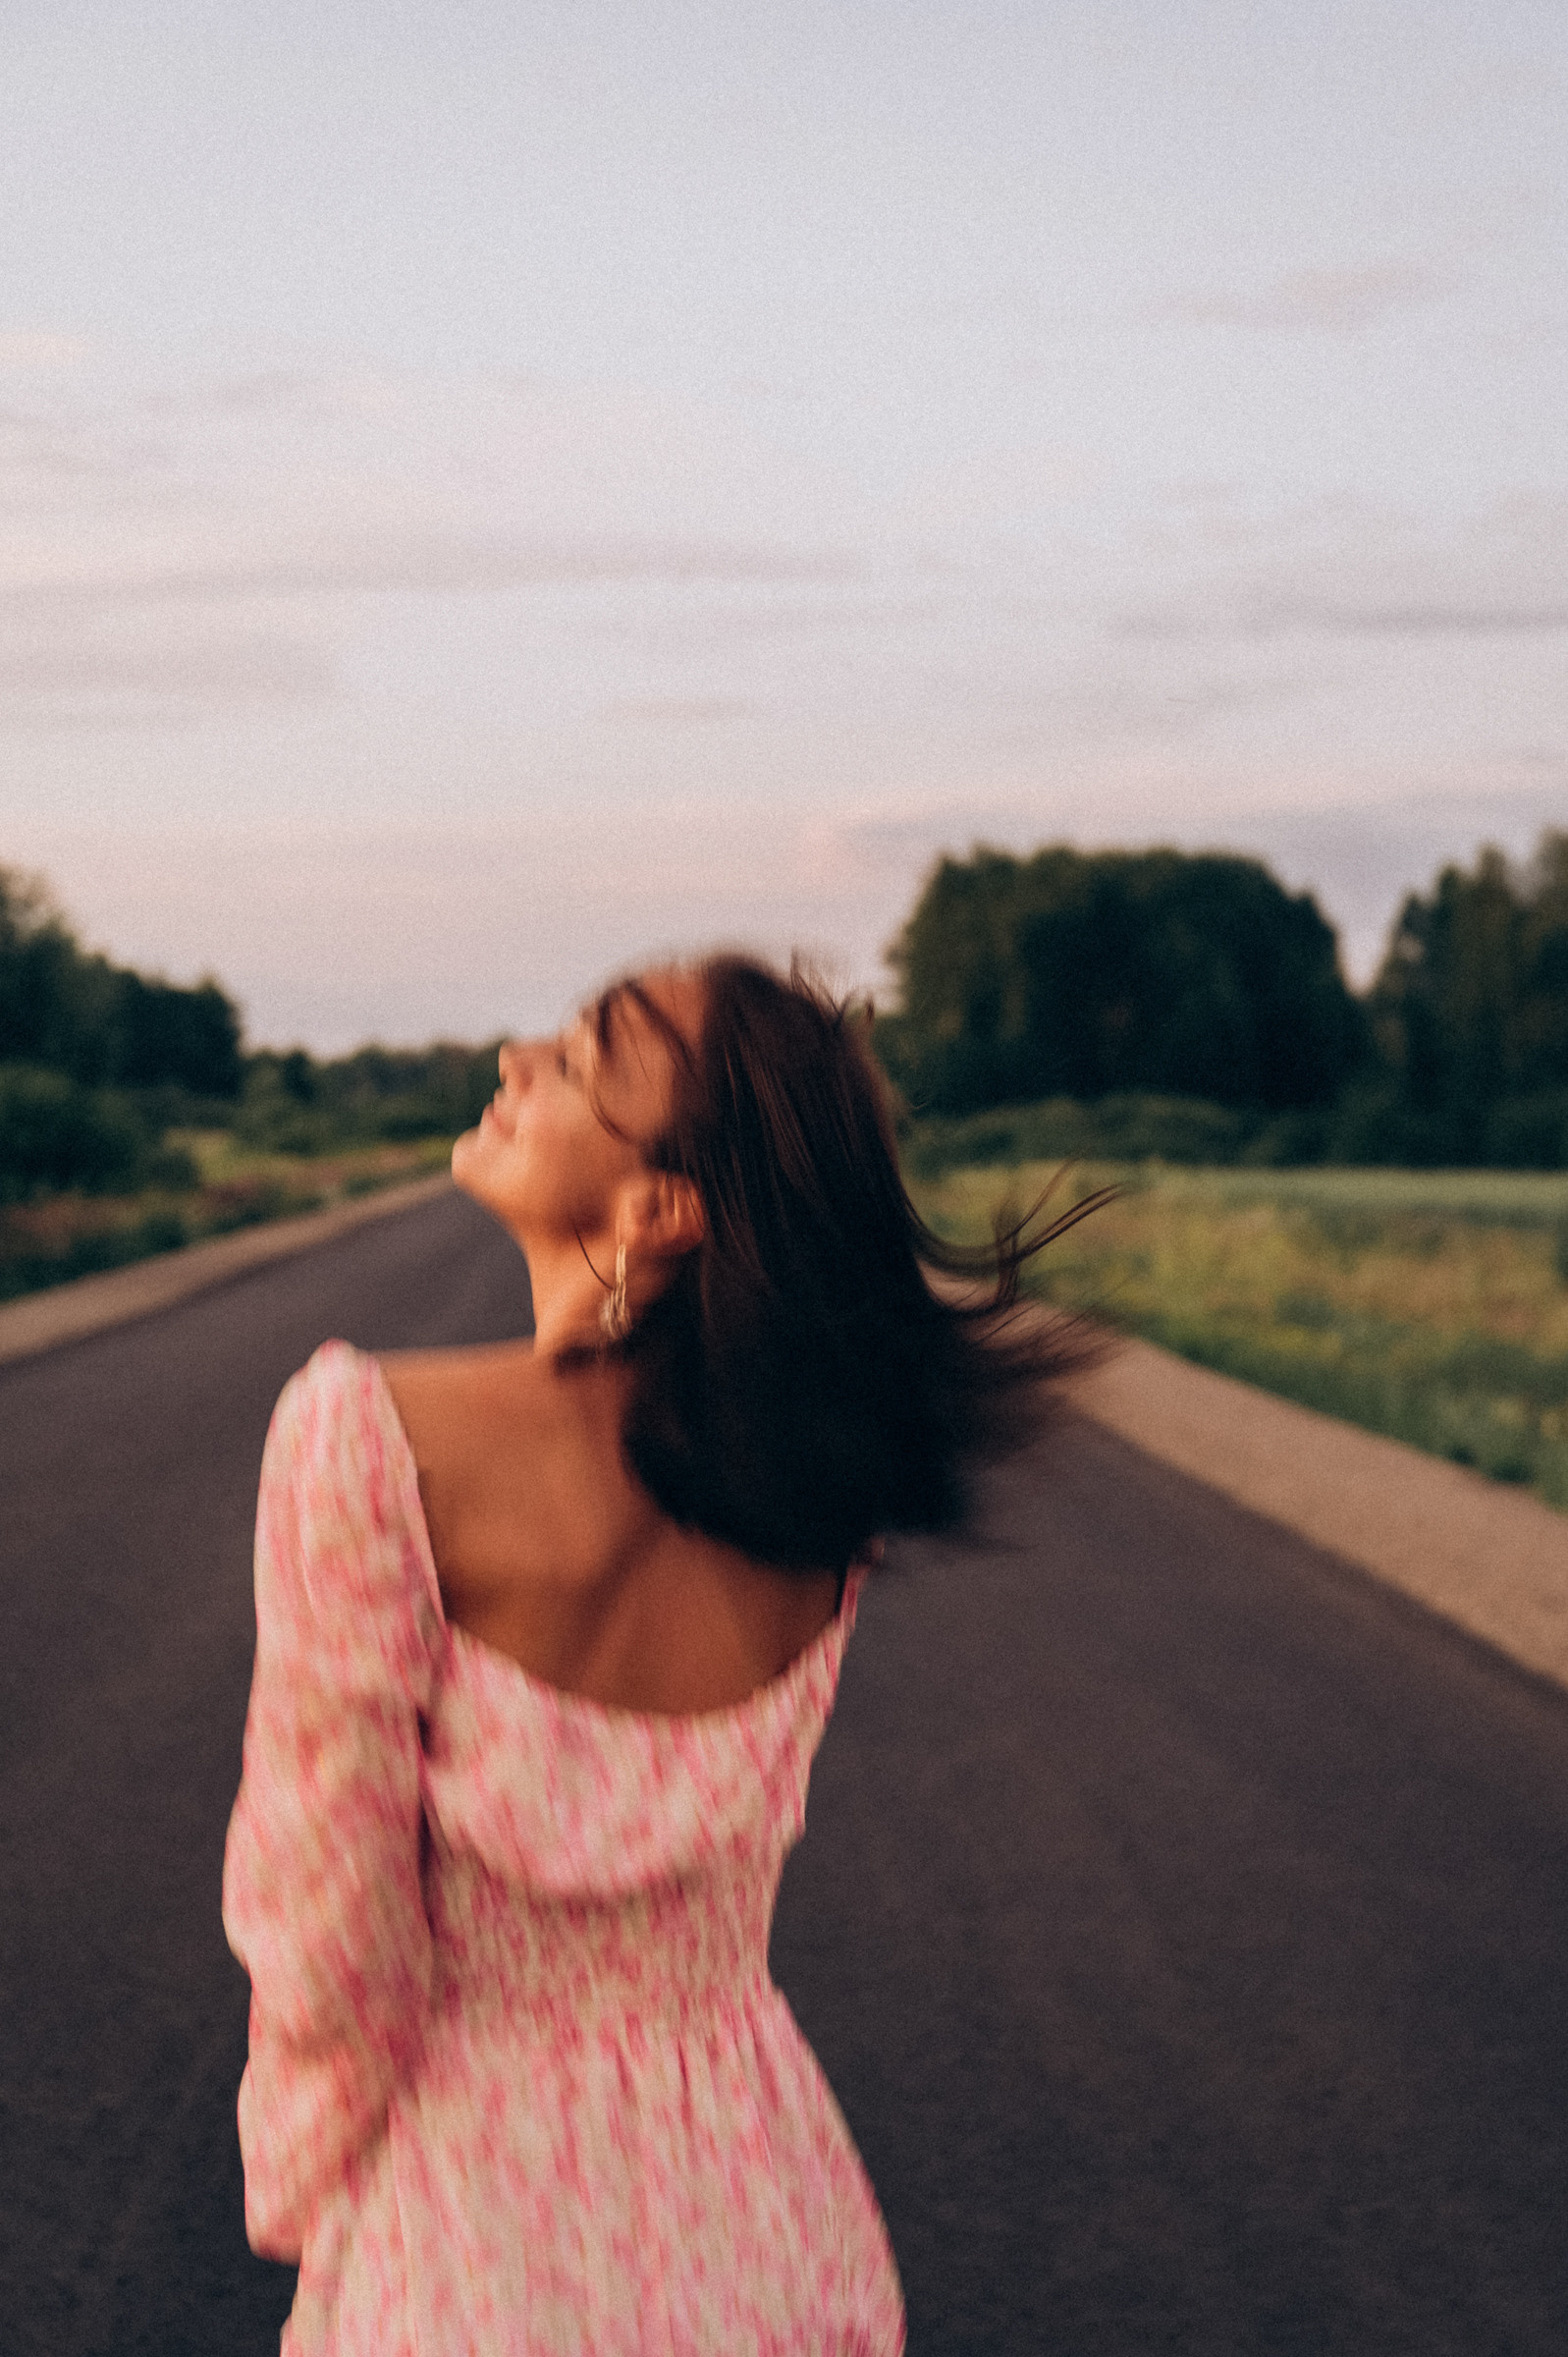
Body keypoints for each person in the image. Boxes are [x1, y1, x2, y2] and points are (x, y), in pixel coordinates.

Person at [223, 953, 1095, 2355]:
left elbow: (328, 1913)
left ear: (661, 1209)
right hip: (759, 2206)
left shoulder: (365, 1434)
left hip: (481, 2220)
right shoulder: (823, 1497)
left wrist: (308, 2180)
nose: (511, 1058)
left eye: (570, 1064)